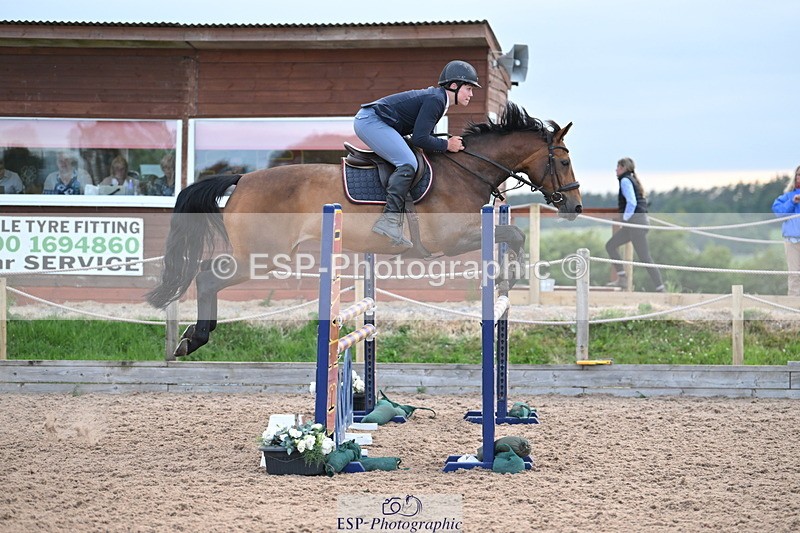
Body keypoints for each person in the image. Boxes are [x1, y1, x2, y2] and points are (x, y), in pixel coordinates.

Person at [353, 60, 480, 247]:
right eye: (468, 88)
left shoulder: (439, 100)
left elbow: (424, 140)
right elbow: (420, 139)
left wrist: (444, 145)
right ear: (454, 86)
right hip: (370, 121)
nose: (471, 94)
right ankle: (389, 221)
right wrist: (447, 144)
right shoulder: (436, 100)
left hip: (377, 122)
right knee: (408, 163)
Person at [605, 157, 665, 292]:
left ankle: (660, 288)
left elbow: (632, 202)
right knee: (611, 246)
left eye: (618, 167)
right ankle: (622, 278)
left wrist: (625, 219)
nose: (616, 170)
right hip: (636, 223)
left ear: (624, 168)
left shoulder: (625, 181)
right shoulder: (632, 179)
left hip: (635, 224)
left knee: (644, 257)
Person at [771, 165, 800, 296]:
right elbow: (779, 213)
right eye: (799, 174)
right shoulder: (787, 197)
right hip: (792, 241)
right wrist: (793, 202)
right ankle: (793, 304)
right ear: (795, 177)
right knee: (794, 274)